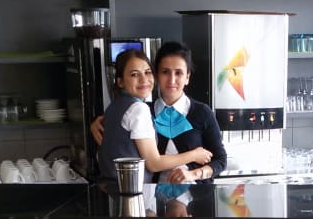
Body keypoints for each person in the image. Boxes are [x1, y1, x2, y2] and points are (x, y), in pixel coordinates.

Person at [92, 41, 228, 184]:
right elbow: (118, 130)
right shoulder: (143, 111)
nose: (172, 80)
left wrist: (195, 174)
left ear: (187, 77)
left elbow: (220, 160)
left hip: (195, 193)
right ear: (156, 75)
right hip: (152, 195)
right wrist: (96, 124)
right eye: (165, 72)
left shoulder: (202, 112)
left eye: (179, 73)